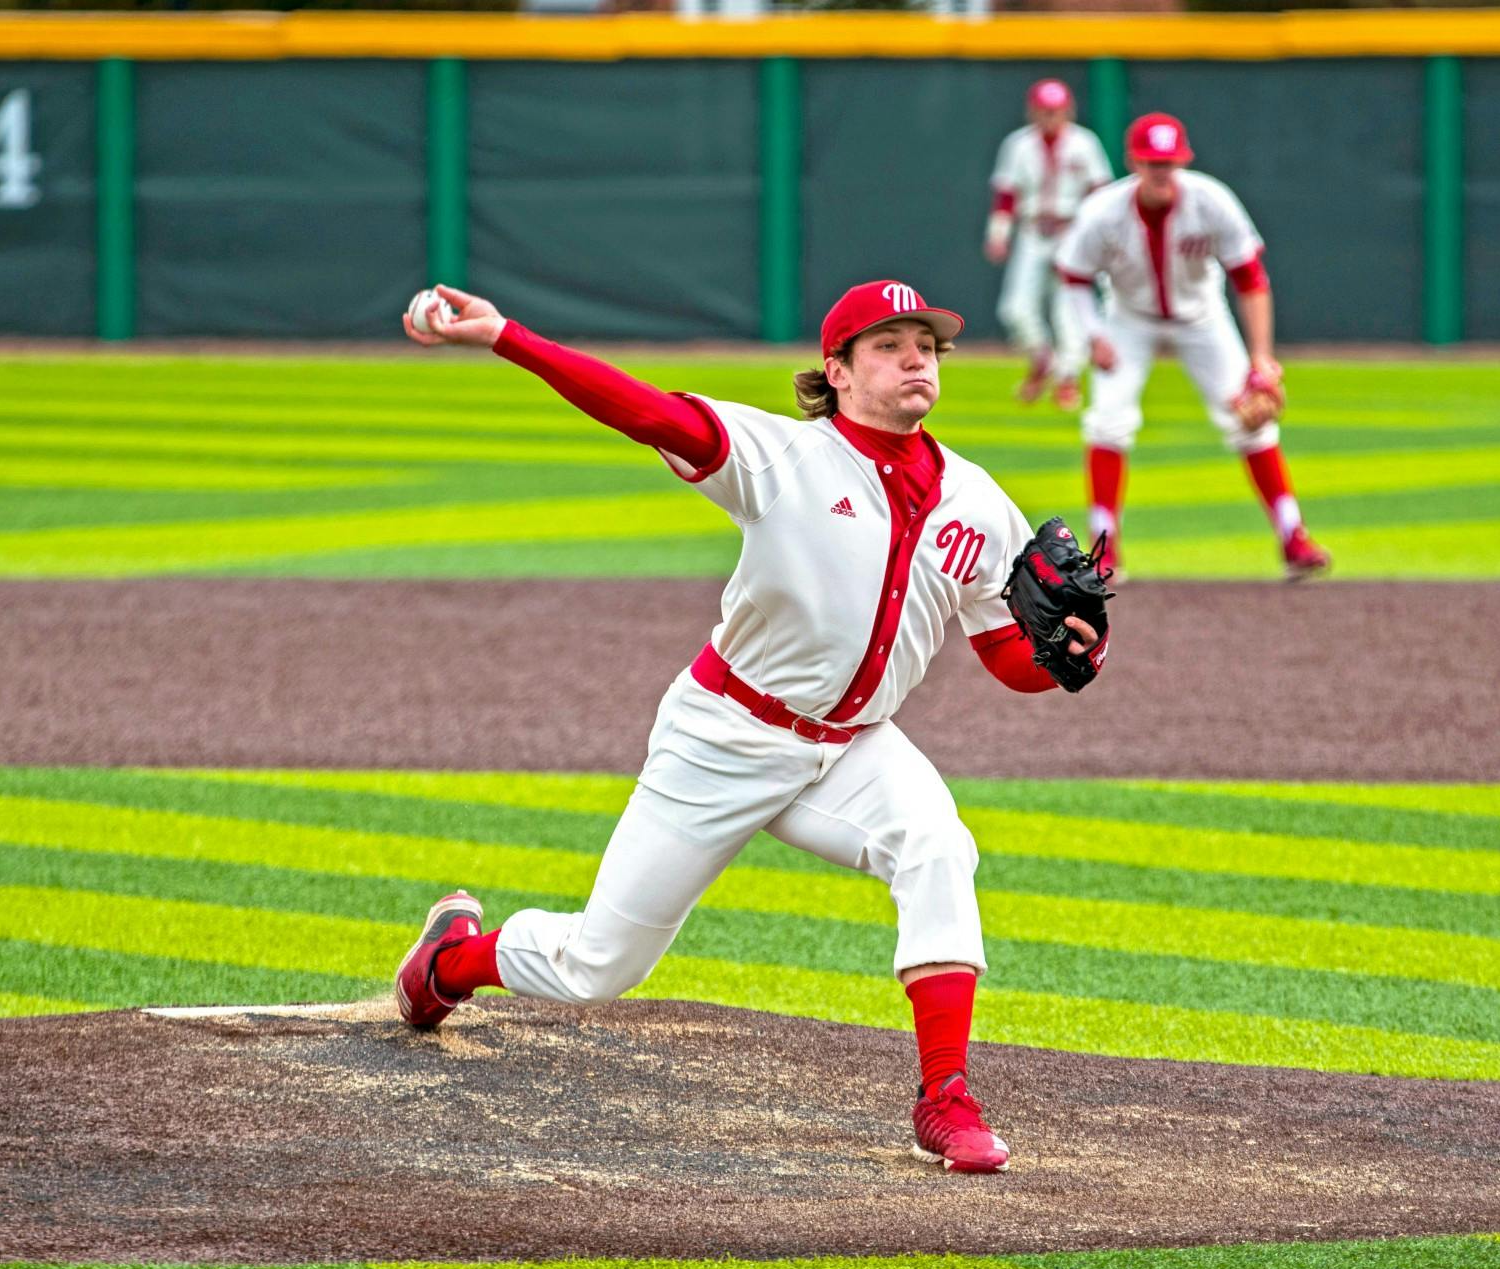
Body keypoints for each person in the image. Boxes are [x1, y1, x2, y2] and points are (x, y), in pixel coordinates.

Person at [393, 279, 1103, 1175]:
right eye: (888, 344)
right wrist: (506, 336)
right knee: (597, 966)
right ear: (837, 371)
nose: (916, 356)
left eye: (926, 342)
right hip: (722, 736)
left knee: (937, 846)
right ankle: (449, 963)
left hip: (854, 746)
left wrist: (1073, 659)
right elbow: (645, 411)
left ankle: (946, 1096)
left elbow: (1008, 654)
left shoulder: (978, 502)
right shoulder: (780, 457)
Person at [1054, 111, 1330, 582]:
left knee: (1250, 422)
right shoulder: (1103, 211)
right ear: (1134, 163)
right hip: (1129, 319)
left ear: (1182, 161)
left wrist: (1261, 356)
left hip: (1202, 319)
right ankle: (1104, 549)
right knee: (1108, 422)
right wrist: (1093, 335)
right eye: (1151, 162)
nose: (1161, 172)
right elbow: (1074, 276)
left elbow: (1251, 279)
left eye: (1169, 162)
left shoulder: (1211, 200)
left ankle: (1292, 538)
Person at [985, 78, 1114, 410]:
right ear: (1032, 111)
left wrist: (1095, 241)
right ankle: (1043, 359)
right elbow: (1006, 195)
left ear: (1068, 110)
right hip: (1033, 229)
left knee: (1069, 309)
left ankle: (1068, 378)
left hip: (1071, 230)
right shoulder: (1018, 144)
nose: (1050, 117)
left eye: (1055, 111)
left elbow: (1100, 195)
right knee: (1014, 308)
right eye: (1044, 111)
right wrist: (998, 235)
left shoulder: (1085, 143)